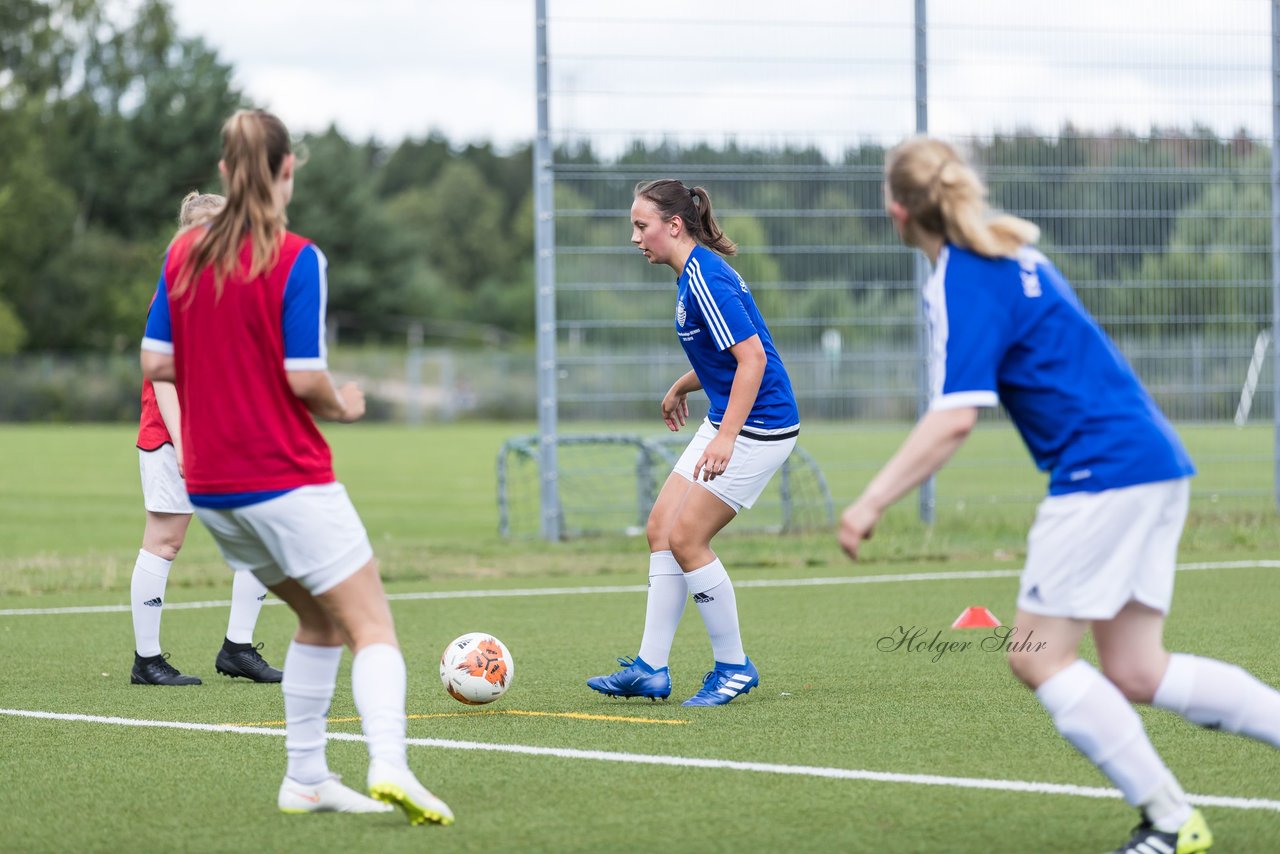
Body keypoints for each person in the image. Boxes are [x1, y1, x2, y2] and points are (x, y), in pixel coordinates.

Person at [839, 135, 1280, 854]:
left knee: (1035, 653)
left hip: (1101, 474)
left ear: (896, 209)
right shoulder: (1015, 253)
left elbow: (954, 417)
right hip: (1152, 461)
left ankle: (1172, 822)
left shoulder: (964, 274)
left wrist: (870, 502)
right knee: (1139, 668)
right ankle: (1174, 820)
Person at [140, 109, 452, 824]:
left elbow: (157, 361)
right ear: (287, 170)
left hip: (213, 489)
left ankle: (306, 779)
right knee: (373, 624)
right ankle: (392, 767)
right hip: (283, 475)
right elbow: (306, 376)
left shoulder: (181, 254)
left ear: (225, 172)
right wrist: (343, 405)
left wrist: (220, 368)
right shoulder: (296, 255)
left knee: (319, 620)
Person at [586, 179, 800, 706]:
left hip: (759, 425)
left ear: (673, 226)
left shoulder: (705, 276)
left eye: (642, 226)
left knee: (687, 540)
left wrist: (725, 440)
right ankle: (650, 669)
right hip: (731, 417)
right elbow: (728, 355)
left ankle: (733, 666)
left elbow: (754, 360)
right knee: (661, 528)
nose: (636, 238)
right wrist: (683, 385)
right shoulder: (693, 275)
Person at [131, 191, 282, 687]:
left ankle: (238, 648)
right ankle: (147, 662)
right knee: (166, 541)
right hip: (172, 433)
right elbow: (163, 378)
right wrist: (183, 444)